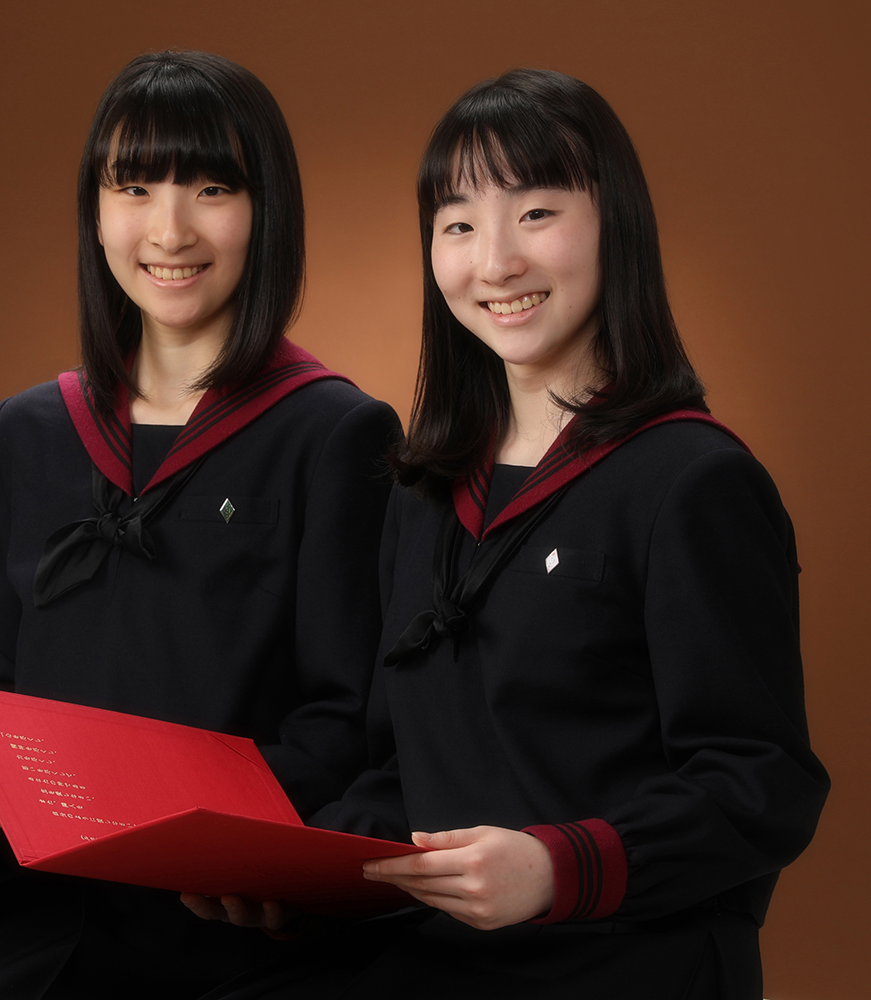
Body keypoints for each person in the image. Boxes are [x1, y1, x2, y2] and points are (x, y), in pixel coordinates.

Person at [186, 69, 829, 999]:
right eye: (457, 225)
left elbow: (761, 784)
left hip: (623, 958)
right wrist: (294, 874)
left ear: (618, 225)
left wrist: (557, 867)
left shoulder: (696, 481)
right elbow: (402, 771)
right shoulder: (422, 491)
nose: (494, 263)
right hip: (426, 950)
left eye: (535, 213)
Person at [0, 50, 400, 1000]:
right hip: (53, 881)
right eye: (135, 186)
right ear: (95, 212)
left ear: (266, 210)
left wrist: (204, 828)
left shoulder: (334, 432)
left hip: (218, 896)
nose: (170, 228)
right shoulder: (29, 429)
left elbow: (344, 719)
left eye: (212, 187)